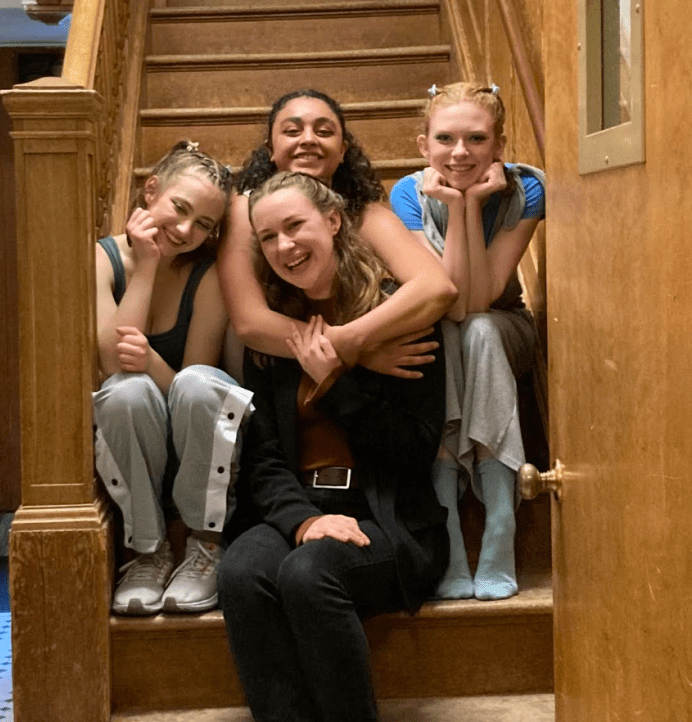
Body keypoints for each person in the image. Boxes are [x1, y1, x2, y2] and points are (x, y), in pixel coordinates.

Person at [218, 171, 448, 722]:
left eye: (295, 227)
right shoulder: (274, 332)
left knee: (307, 575)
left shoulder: (393, 317)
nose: (285, 246)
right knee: (244, 571)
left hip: (386, 519)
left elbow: (412, 454)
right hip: (301, 511)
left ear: (334, 221)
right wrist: (300, 517)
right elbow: (261, 460)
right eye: (268, 238)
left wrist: (341, 373)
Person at [390, 82, 546, 601]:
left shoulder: (527, 190)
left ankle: (499, 525)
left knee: (476, 330)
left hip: (505, 331)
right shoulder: (407, 195)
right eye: (446, 139)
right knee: (449, 330)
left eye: (477, 139)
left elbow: (479, 300)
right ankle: (452, 533)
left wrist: (473, 203)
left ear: (499, 146)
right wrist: (459, 207)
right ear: (423, 146)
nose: (460, 153)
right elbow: (447, 301)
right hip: (448, 332)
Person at [94, 141, 254, 616]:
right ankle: (147, 551)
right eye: (179, 209)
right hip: (133, 430)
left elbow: (191, 380)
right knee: (124, 392)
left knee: (198, 384)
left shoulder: (208, 273)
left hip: (197, 435)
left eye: (204, 224)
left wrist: (147, 361)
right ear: (151, 191)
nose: (185, 230)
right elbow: (110, 362)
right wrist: (145, 267)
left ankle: (205, 545)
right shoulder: (102, 258)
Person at [218, 88, 457, 377]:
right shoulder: (246, 210)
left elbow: (435, 288)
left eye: (324, 131)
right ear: (270, 149)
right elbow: (249, 322)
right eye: (292, 131)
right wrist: (352, 351)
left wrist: (353, 339)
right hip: (276, 363)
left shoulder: (365, 215)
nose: (308, 139)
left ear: (343, 150)